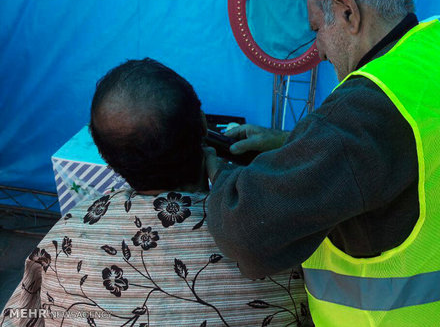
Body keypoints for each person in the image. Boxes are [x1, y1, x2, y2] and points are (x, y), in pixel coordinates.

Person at [204, 0, 440, 326]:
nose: (317, 50)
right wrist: (292, 143)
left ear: (348, 12)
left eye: (317, 29)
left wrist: (215, 170)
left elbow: (246, 232)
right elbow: (411, 158)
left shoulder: (369, 105)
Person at [1, 58, 310, 327]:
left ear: (106, 157)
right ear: (203, 126)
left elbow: (17, 317)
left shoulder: (64, 237)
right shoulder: (279, 232)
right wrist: (292, 146)